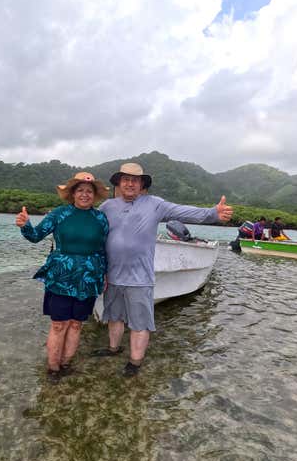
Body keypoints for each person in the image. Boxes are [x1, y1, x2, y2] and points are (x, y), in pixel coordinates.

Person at [92, 162, 232, 377]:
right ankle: (113, 349)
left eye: (135, 180)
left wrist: (213, 213)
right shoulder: (107, 207)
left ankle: (135, 362)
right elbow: (92, 234)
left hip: (140, 278)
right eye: (126, 179)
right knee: (114, 317)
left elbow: (184, 212)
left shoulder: (155, 204)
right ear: (119, 182)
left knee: (140, 322)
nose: (130, 183)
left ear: (141, 184)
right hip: (113, 275)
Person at [15, 172, 110, 384]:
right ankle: (53, 368)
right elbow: (35, 236)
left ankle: (66, 363)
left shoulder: (101, 218)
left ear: (94, 196)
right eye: (80, 190)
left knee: (76, 324)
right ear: (72, 194)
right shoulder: (59, 214)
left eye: (89, 191)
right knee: (59, 324)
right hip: (61, 276)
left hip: (89, 277)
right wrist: (25, 225)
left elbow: (102, 249)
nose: (84, 194)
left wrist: (105, 274)